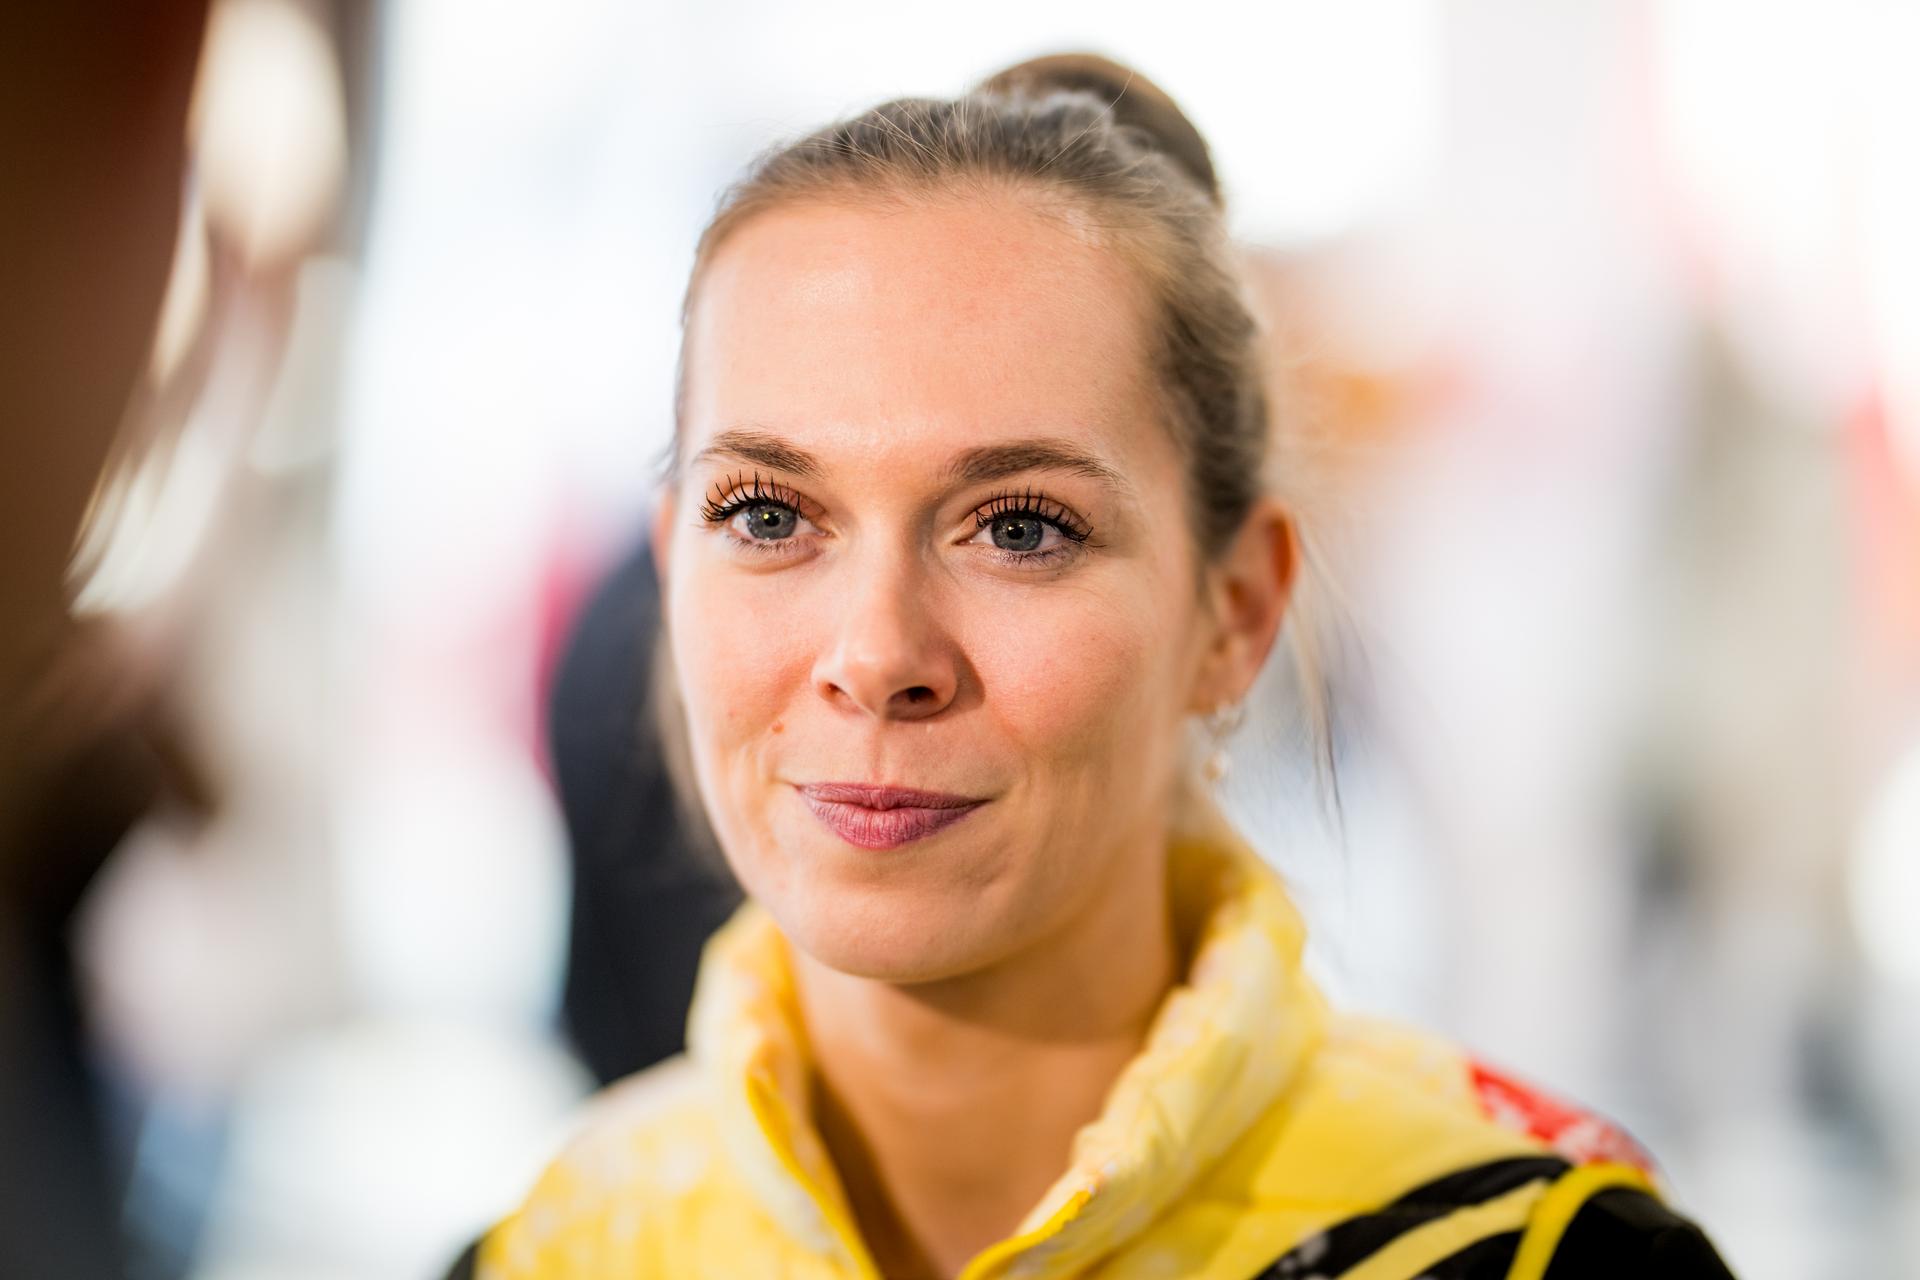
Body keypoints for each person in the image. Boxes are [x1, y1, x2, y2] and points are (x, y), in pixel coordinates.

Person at [461, 53, 1738, 1279]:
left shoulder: (1520, 1246)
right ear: (670, 568)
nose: (877, 654)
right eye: (768, 513)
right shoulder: (552, 1250)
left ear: (1233, 614)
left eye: (1021, 527)